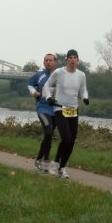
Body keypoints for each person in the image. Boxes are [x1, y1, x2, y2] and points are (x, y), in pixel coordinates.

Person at [42, 49, 89, 178]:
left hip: (73, 110)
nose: (73, 60)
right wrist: (48, 98)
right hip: (60, 108)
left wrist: (85, 97)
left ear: (78, 60)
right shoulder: (59, 72)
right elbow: (46, 86)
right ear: (67, 60)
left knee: (72, 141)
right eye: (70, 57)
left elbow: (83, 89)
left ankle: (62, 168)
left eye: (75, 58)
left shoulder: (81, 75)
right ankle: (55, 162)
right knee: (66, 138)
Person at [27, 53, 57, 173]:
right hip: (43, 109)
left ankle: (39, 159)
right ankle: (45, 161)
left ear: (55, 62)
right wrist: (34, 92)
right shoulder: (39, 75)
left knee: (48, 136)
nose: (48, 62)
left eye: (51, 60)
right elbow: (30, 85)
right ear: (44, 62)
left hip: (56, 110)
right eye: (46, 60)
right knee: (48, 131)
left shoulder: (60, 75)